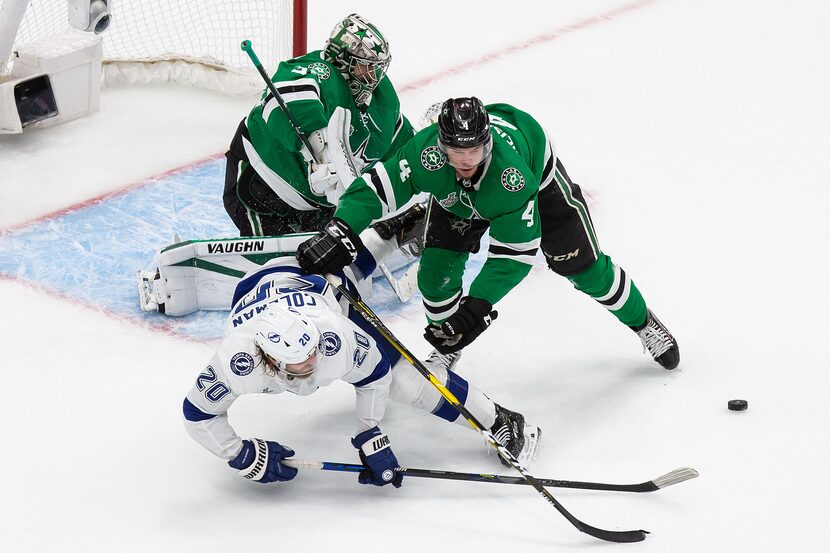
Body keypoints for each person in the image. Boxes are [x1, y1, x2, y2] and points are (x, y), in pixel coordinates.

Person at [295, 98, 680, 370]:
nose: (464, 160)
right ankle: (446, 345)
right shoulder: (427, 154)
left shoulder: (513, 179)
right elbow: (377, 188)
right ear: (440, 143)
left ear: (488, 141)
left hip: (537, 185)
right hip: (457, 201)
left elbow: (514, 256)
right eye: (454, 151)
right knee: (435, 276)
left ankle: (643, 322)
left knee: (584, 270)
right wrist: (341, 230)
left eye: (474, 150)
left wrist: (477, 309)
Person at [183, 222, 542, 486]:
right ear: (270, 359)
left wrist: (369, 432)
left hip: (326, 293)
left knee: (406, 381)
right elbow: (196, 415)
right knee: (345, 274)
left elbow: (375, 375)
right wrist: (241, 455)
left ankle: (502, 422)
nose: (312, 361)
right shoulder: (238, 362)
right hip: (259, 287)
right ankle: (386, 234)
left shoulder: (330, 336)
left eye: (311, 352)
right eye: (300, 361)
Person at [223, 13, 415, 237]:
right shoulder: (318, 70)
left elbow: (406, 151)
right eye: (366, 67)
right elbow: (289, 91)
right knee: (271, 259)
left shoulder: (382, 99)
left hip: (317, 206)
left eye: (377, 69)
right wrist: (321, 150)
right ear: (343, 59)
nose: (373, 77)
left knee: (321, 256)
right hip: (262, 183)